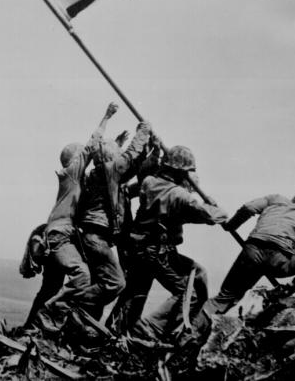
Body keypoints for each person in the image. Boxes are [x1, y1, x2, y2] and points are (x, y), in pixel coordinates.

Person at [110, 145, 228, 341]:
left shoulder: (149, 182)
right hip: (158, 252)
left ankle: (115, 331)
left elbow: (137, 188)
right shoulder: (180, 196)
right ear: (182, 172)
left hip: (138, 247)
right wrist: (214, 206)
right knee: (191, 291)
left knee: (136, 292)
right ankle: (149, 330)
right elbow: (213, 216)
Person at [32, 102, 118, 332]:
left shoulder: (75, 180)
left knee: (51, 285)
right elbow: (91, 145)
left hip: (61, 235)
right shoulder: (71, 174)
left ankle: (32, 326)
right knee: (82, 276)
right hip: (60, 235)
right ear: (74, 160)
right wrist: (106, 117)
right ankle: (51, 314)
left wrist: (116, 145)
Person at [192, 189, 295, 335]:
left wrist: (231, 226)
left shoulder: (276, 199)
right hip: (278, 261)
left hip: (251, 253)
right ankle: (294, 288)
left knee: (224, 298)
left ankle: (189, 329)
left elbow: (248, 208)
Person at [77, 119, 152, 319]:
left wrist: (150, 153)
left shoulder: (102, 176)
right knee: (115, 283)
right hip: (97, 238)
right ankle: (68, 303)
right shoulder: (109, 171)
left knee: (99, 283)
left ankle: (84, 324)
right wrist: (142, 132)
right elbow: (129, 157)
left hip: (94, 238)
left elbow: (133, 169)